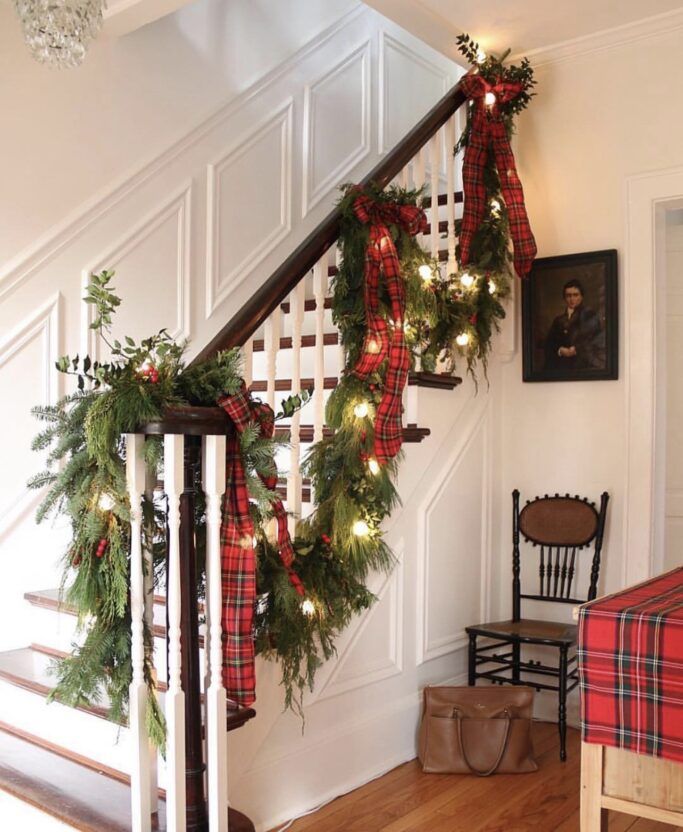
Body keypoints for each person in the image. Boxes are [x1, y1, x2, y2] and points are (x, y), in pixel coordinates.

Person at [544, 279, 605, 372]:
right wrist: (560, 350)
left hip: (582, 366)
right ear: (564, 298)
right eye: (568, 296)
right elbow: (549, 343)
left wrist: (576, 349)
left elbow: (594, 340)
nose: (572, 299)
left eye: (575, 295)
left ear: (581, 296)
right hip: (561, 367)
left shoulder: (590, 315)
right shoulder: (558, 320)